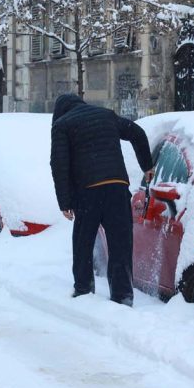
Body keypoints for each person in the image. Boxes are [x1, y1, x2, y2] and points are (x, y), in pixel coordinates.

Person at [50, 94, 154, 306]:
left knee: (83, 243)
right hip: (117, 188)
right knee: (120, 244)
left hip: (88, 192)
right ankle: (123, 295)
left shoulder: (62, 125)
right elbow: (136, 132)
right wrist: (147, 165)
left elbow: (59, 165)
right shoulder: (106, 115)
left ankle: (83, 290)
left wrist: (65, 202)